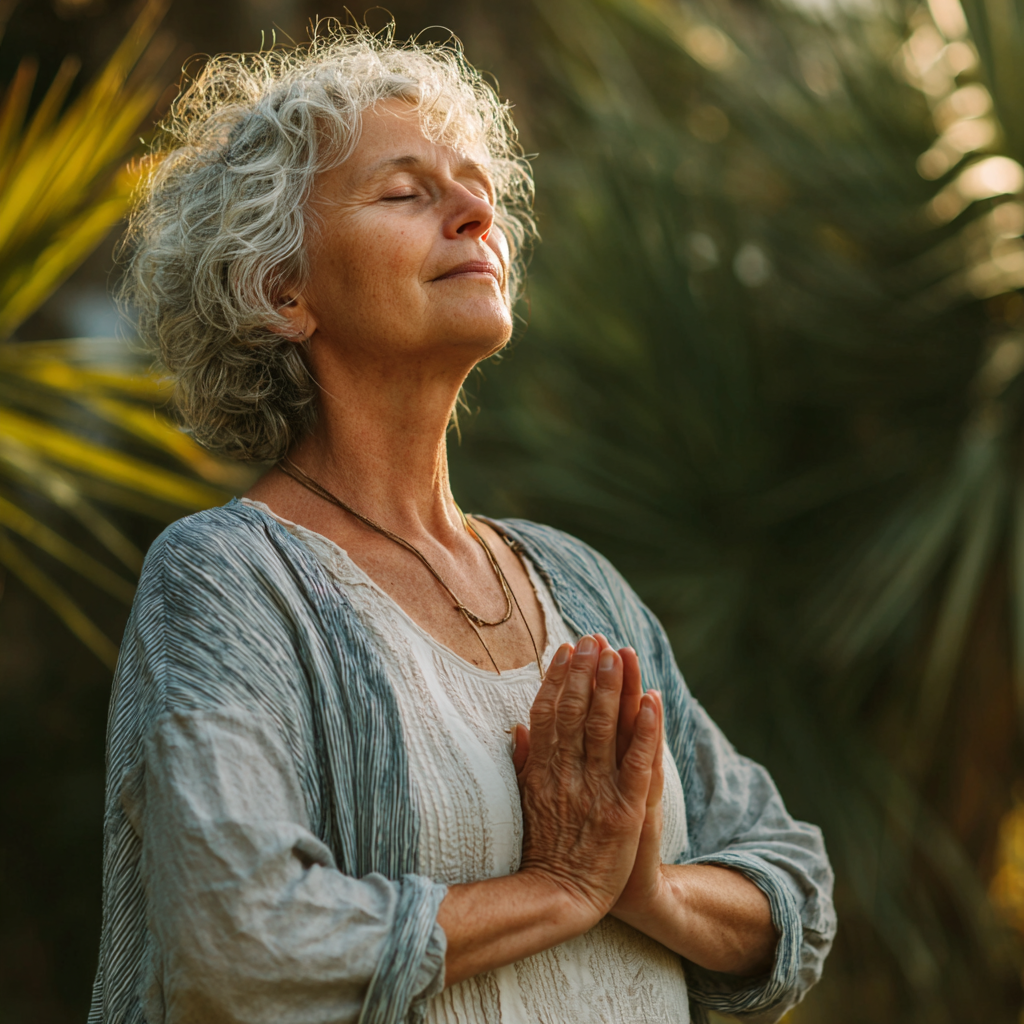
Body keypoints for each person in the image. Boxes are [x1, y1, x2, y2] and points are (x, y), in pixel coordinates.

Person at [91, 26, 836, 1024]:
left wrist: (644, 889)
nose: (475, 211)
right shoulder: (228, 579)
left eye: (478, 187)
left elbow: (790, 887)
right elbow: (238, 943)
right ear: (281, 290)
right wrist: (557, 891)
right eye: (405, 192)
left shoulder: (577, 582)